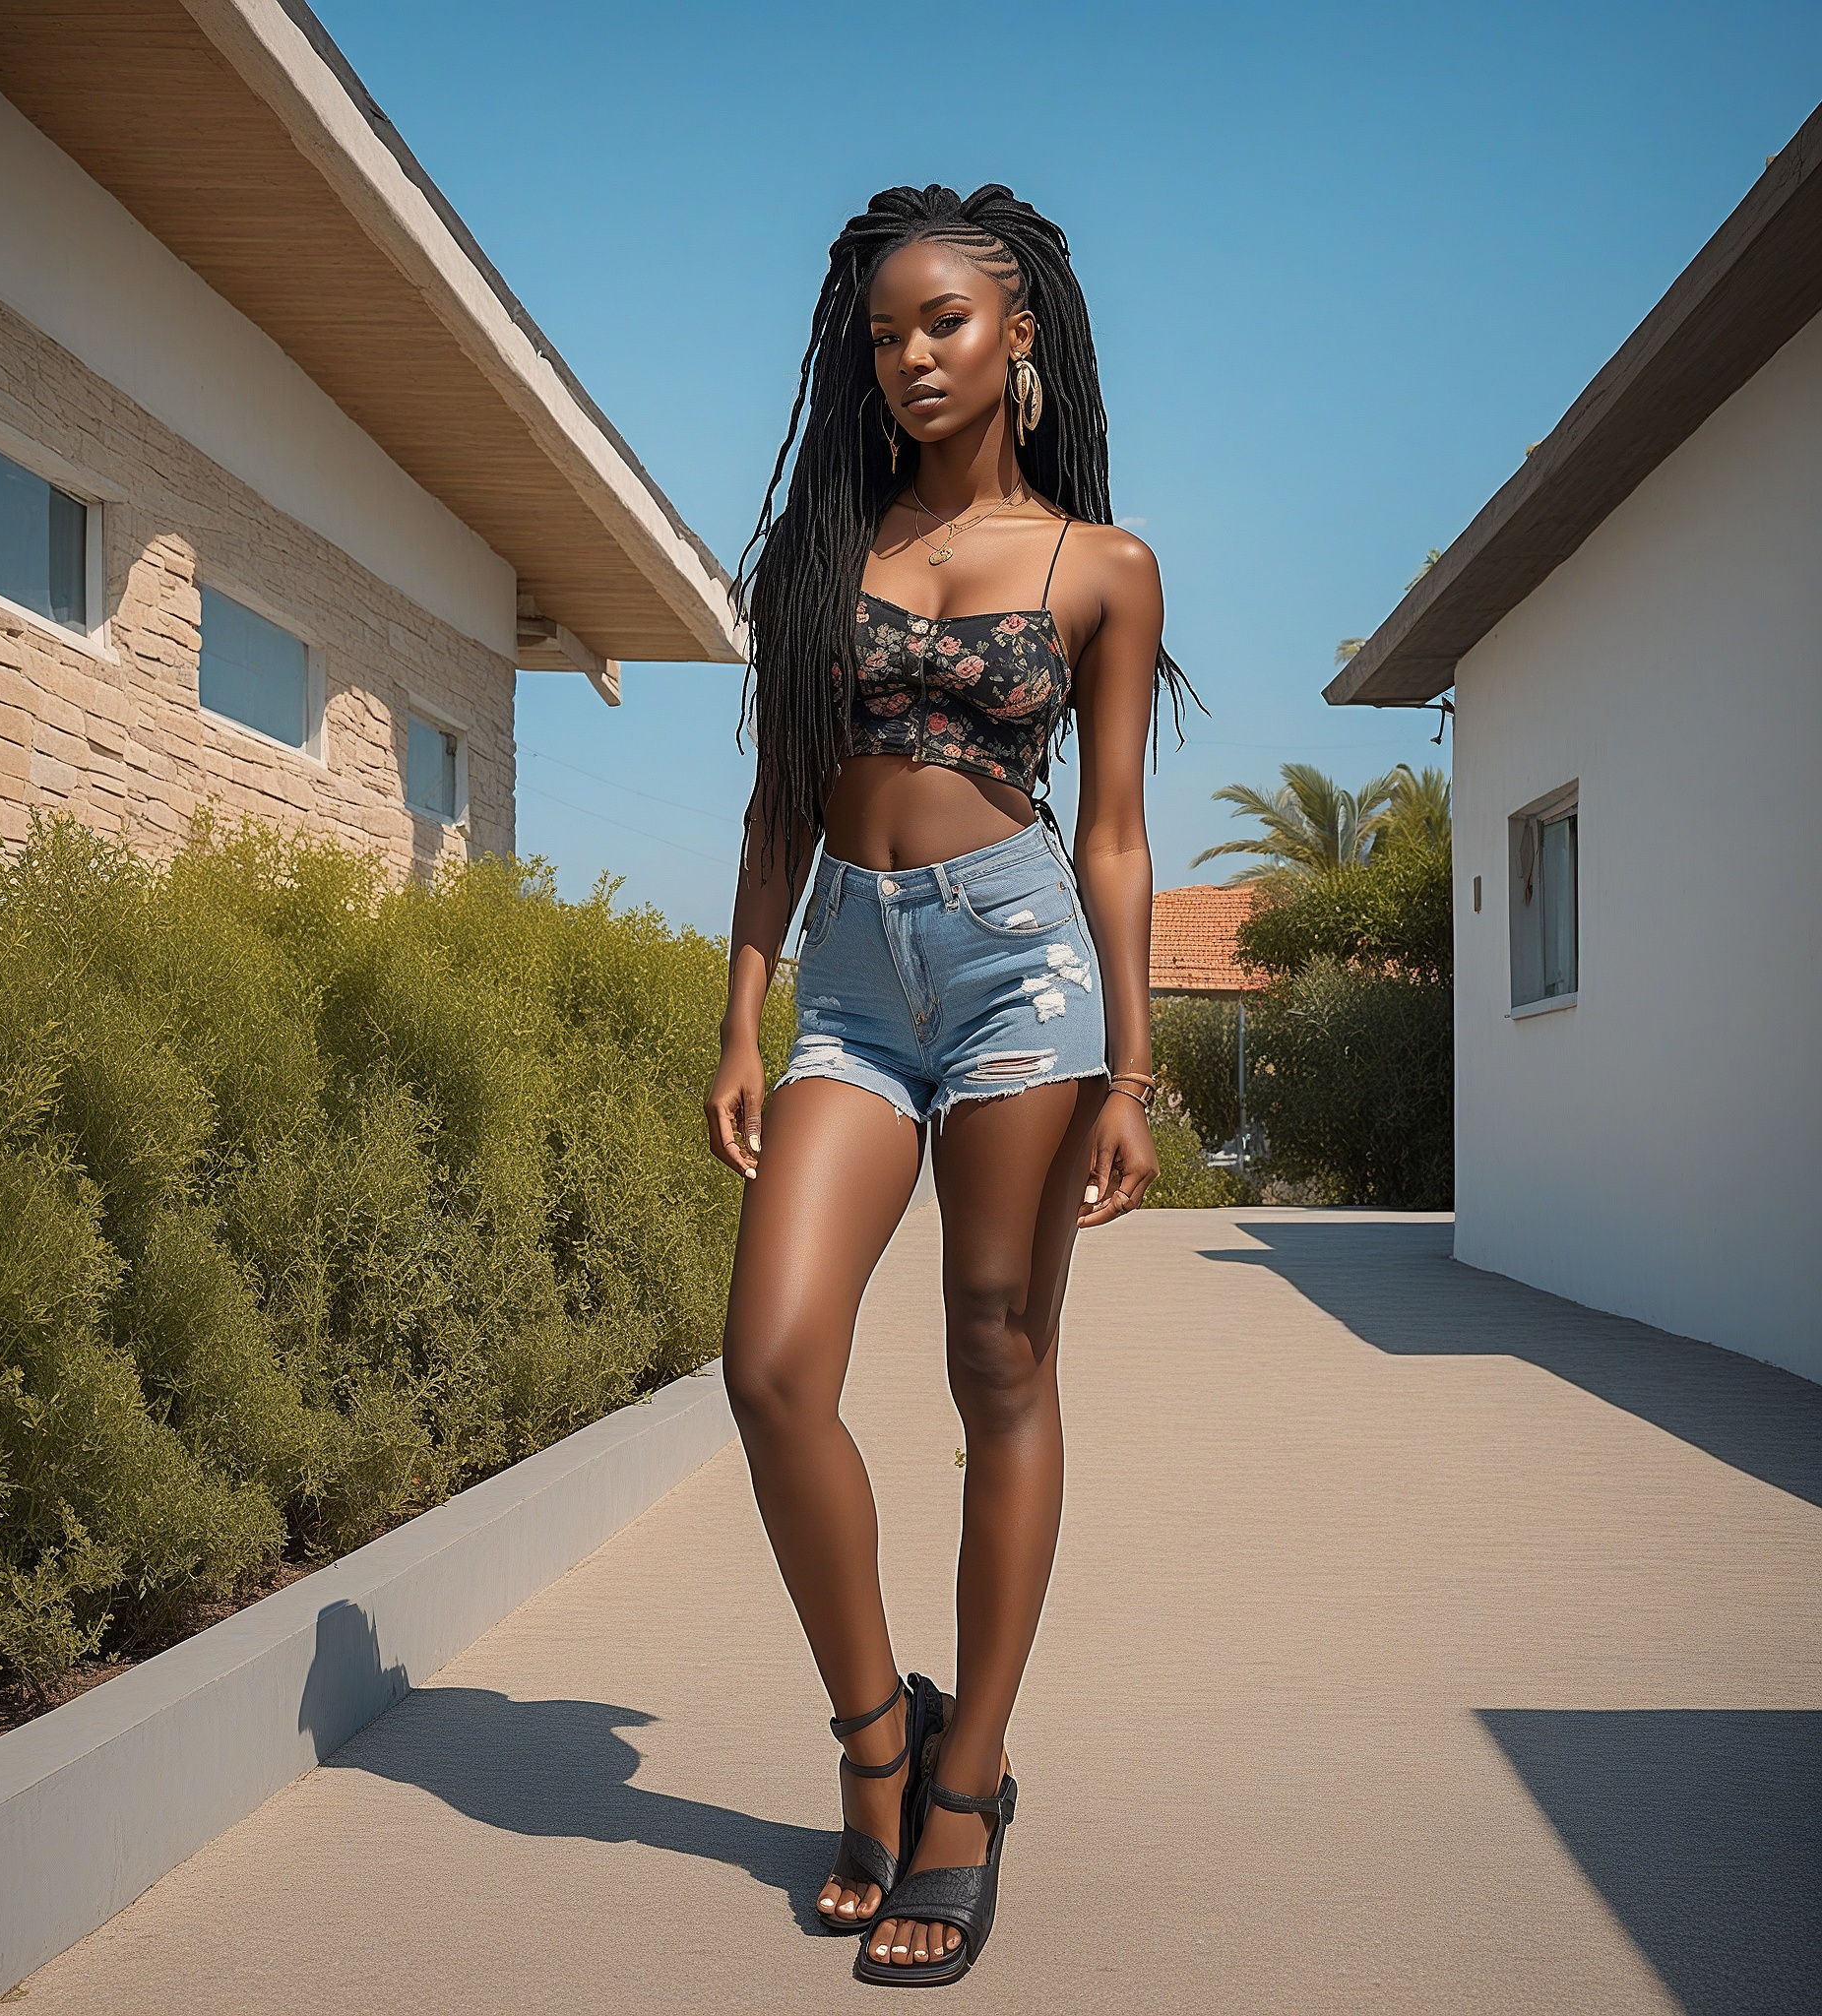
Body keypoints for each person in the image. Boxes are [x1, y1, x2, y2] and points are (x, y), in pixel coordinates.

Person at [705, 182, 1194, 1987]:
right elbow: (775, 805)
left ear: (1021, 347)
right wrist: (744, 1018)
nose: (911, 358)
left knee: (998, 1354)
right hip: (848, 975)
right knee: (770, 1366)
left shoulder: (1100, 568)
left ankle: (970, 1783)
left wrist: (1131, 1066)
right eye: (885, 332)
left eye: (945, 326)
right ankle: (876, 1738)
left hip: (1018, 967)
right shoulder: (818, 549)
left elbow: (1122, 833)